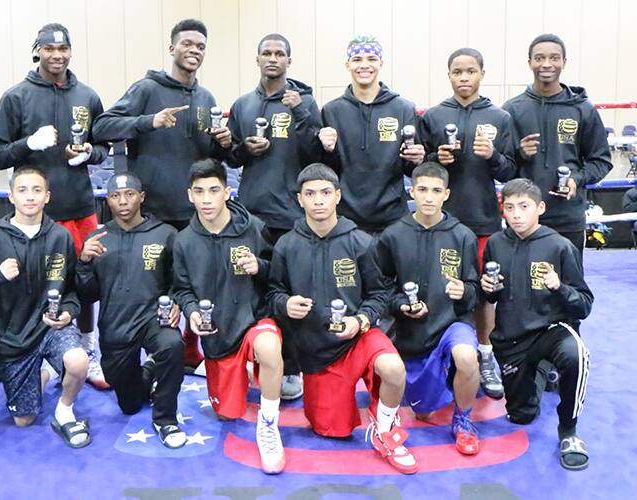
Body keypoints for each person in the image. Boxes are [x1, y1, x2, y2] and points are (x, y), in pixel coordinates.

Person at [93, 18, 232, 372]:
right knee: (151, 286)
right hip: (152, 212)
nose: (194, 50)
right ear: (172, 48)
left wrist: (223, 144)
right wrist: (148, 121)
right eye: (187, 44)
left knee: (193, 282)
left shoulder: (206, 98)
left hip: (193, 213)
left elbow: (210, 157)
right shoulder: (146, 89)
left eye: (200, 46)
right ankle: (149, 353)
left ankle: (190, 350)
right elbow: (102, 126)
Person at [268, 163, 417, 475]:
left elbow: (380, 294)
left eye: (325, 193)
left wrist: (360, 321)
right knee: (331, 430)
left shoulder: (361, 242)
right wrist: (285, 303)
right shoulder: (286, 245)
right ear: (300, 199)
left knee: (394, 369)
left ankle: (385, 430)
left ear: (337, 196)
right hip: (317, 350)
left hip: (358, 336)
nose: (318, 200)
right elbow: (273, 293)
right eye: (310, 194)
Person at [0, 23, 109, 389]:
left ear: (70, 51)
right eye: (49, 49)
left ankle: (87, 350)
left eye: (62, 49)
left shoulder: (87, 96)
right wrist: (28, 144)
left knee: (86, 283)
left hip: (81, 207)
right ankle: (39, 355)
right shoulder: (16, 97)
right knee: (34, 284)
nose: (57, 55)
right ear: (37, 50)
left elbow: (104, 146)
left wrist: (90, 153)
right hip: (34, 213)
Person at [0, 166, 92, 449]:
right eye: (22, 190)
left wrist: (69, 310)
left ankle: (65, 410)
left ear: (47, 196)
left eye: (36, 190)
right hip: (13, 337)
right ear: (11, 196)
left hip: (51, 328)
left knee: (78, 361)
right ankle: (46, 373)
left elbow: (71, 290)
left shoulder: (60, 237)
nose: (30, 197)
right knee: (24, 419)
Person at [172, 159, 284, 474]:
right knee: (227, 413)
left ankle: (268, 424)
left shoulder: (255, 228)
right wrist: (192, 312)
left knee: (269, 349)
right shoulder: (183, 241)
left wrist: (260, 267)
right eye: (199, 192)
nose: (207, 199)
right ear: (190, 195)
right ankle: (241, 373)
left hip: (254, 320)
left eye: (214, 190)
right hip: (218, 334)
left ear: (227, 192)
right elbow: (181, 289)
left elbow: (279, 276)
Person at [418, 47, 518, 399]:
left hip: (482, 220)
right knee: (437, 288)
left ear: (481, 74)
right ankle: (436, 356)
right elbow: (418, 169)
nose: (464, 78)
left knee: (484, 293)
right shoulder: (433, 116)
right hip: (438, 221)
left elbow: (511, 170)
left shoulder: (499, 117)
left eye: (470, 71)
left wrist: (493, 156)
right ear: (449, 75)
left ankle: (485, 355)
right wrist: (437, 158)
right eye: (457, 72)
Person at [227, 32, 323, 400]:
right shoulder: (242, 105)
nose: (272, 58)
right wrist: (243, 148)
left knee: (290, 293)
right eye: (266, 53)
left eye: (279, 53)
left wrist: (300, 111)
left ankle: (292, 367)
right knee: (248, 290)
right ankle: (249, 362)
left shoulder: (304, 102)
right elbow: (232, 157)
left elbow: (318, 153)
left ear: (288, 60)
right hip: (251, 213)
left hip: (291, 215)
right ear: (257, 59)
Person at [481, 178, 592, 471]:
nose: (516, 214)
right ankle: (542, 370)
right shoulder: (495, 244)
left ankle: (569, 430)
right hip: (511, 339)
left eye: (524, 206)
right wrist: (488, 288)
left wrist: (559, 287)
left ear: (540, 208)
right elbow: (491, 297)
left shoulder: (560, 246)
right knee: (522, 415)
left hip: (550, 331)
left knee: (575, 354)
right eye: (510, 207)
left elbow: (584, 305)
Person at [376, 162, 482, 456]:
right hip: (409, 332)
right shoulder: (392, 235)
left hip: (451, 324)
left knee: (467, 357)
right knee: (423, 412)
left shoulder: (463, 236)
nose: (429, 197)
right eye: (422, 189)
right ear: (411, 191)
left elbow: (474, 290)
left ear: (446, 194)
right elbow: (381, 290)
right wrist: (401, 304)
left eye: (436, 191)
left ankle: (463, 420)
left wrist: (464, 291)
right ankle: (434, 383)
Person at [75, 173, 186, 448]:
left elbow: (180, 281)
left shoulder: (166, 234)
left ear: (141, 197)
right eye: (115, 196)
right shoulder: (97, 238)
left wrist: (175, 301)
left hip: (153, 318)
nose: (123, 201)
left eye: (129, 194)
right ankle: (150, 369)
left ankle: (166, 419)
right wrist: (84, 262)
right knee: (130, 404)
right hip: (116, 323)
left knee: (172, 345)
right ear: (108, 200)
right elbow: (87, 295)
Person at [502, 33, 612, 261]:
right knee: (523, 280)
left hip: (567, 216)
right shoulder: (512, 109)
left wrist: (576, 179)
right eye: (539, 58)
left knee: (568, 280)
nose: (546, 64)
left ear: (564, 62)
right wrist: (520, 154)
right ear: (530, 62)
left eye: (554, 58)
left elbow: (601, 160)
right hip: (523, 218)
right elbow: (502, 167)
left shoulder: (582, 109)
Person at [318, 35, 425, 236]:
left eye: (371, 59)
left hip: (393, 219)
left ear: (381, 63)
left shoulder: (403, 108)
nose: (364, 65)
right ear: (347, 64)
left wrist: (417, 160)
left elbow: (411, 169)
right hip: (345, 220)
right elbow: (327, 169)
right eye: (357, 59)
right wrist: (327, 150)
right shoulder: (331, 111)